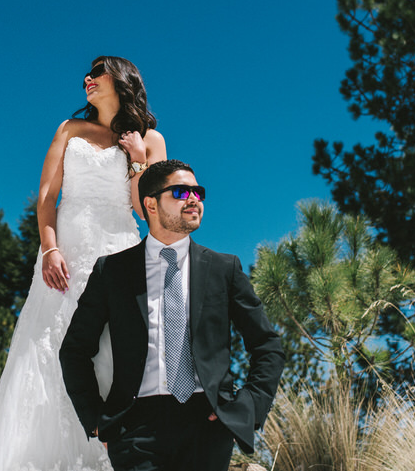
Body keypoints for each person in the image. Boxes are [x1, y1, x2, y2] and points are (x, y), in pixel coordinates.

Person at [0, 56, 166, 471]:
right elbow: (47, 196)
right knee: (52, 344)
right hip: (68, 251)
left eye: (97, 73)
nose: (87, 79)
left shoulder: (152, 139)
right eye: (87, 75)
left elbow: (144, 209)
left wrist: (136, 158)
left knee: (117, 348)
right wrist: (49, 249)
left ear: (122, 80)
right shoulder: (70, 129)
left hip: (119, 248)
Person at [60, 160, 285, 471]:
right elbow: (75, 349)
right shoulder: (111, 271)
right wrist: (97, 420)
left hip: (207, 423)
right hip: (134, 426)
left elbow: (267, 345)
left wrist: (246, 407)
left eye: (198, 192)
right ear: (151, 204)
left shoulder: (224, 269)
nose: (193, 199)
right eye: (180, 192)